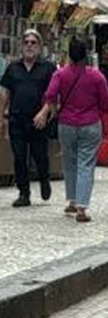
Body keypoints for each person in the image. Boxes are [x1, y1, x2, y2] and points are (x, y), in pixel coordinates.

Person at [33, 36, 108, 223]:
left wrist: (47, 112)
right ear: (86, 55)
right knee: (86, 164)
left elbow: (50, 95)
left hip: (67, 124)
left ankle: (72, 200)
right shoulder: (96, 76)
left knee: (70, 162)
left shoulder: (60, 75)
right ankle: (82, 208)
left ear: (69, 54)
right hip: (90, 123)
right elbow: (107, 102)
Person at [0, 29, 55, 208]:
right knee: (19, 156)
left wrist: (45, 111)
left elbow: (53, 94)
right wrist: (1, 116)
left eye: (33, 42)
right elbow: (5, 93)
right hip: (17, 118)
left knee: (40, 155)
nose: (30, 46)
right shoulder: (13, 68)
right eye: (27, 42)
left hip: (38, 119)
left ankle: (44, 179)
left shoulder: (47, 67)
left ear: (39, 46)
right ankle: (24, 193)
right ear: (21, 45)